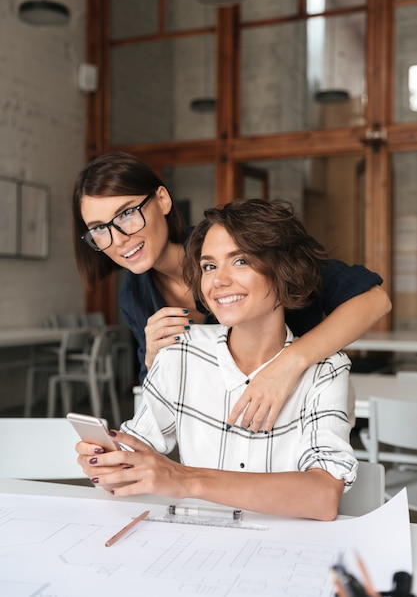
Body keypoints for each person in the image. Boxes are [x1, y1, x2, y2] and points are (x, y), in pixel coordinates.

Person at [76, 199, 357, 520]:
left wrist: (186, 479)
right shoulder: (178, 353)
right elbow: (135, 450)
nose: (218, 280)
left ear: (285, 271)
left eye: (240, 261)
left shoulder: (325, 369)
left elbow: (322, 496)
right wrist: (109, 460)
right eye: (209, 266)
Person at [72, 152, 391, 432]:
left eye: (127, 213)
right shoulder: (134, 296)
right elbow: (161, 400)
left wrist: (289, 363)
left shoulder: (229, 241)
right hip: (225, 434)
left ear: (163, 200)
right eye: (100, 228)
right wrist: (154, 359)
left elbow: (374, 300)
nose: (118, 238)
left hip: (300, 414)